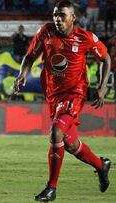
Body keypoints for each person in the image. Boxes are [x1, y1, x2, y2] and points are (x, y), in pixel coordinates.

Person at [14, 1, 112, 202]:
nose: (58, 19)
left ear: (73, 18)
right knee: (69, 143)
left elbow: (106, 58)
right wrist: (21, 74)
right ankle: (101, 166)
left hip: (74, 94)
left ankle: (51, 188)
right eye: (55, 15)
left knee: (56, 131)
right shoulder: (46, 32)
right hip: (53, 95)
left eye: (62, 15)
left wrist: (102, 87)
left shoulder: (85, 38)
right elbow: (30, 55)